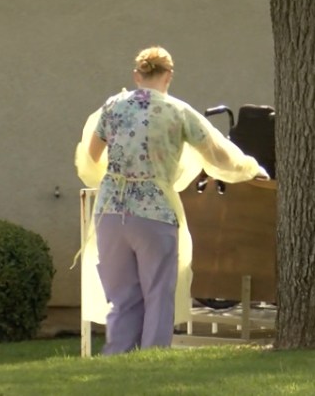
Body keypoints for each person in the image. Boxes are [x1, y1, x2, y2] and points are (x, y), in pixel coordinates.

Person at [75, 46, 268, 355]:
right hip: (154, 213)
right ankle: (151, 360)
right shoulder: (177, 111)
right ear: (169, 76)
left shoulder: (112, 107)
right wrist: (251, 169)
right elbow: (218, 153)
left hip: (111, 211)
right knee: (158, 296)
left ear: (137, 75)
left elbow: (93, 155)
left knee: (124, 297)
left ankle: (117, 362)